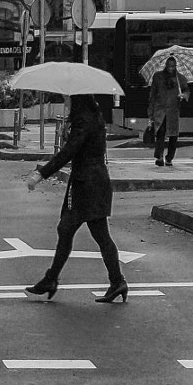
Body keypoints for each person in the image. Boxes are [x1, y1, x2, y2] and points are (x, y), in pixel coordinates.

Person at [23, 93, 127, 303]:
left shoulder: (84, 120)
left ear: (78, 100)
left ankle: (54, 279)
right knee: (78, 231)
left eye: (68, 98)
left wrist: (41, 173)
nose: (66, 101)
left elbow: (69, 152)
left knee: (80, 231)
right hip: (92, 181)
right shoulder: (92, 116)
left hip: (87, 183)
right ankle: (115, 281)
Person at [147, 66, 184, 167]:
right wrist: (151, 114)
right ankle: (159, 157)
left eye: (173, 65)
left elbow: (186, 91)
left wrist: (183, 95)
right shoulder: (158, 77)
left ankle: (169, 158)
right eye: (170, 65)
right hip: (160, 111)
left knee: (173, 136)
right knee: (160, 133)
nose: (171, 68)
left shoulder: (179, 78)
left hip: (173, 111)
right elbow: (153, 95)